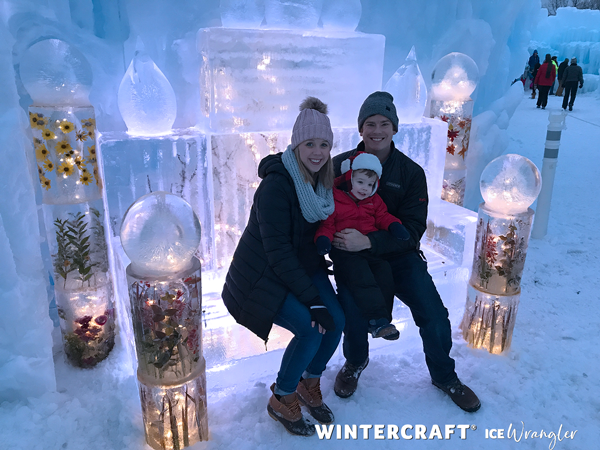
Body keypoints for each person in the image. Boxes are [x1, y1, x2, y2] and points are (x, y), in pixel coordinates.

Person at [331, 91, 481, 413]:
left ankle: (444, 375)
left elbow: (412, 230)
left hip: (399, 257)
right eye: (370, 123)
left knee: (434, 314)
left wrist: (370, 241)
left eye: (384, 123)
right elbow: (319, 206)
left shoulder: (412, 173)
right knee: (354, 314)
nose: (377, 130)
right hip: (353, 259)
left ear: (395, 128)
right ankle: (355, 362)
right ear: (360, 129)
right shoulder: (340, 167)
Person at [222, 97, 345, 436]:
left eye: (323, 144)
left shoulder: (322, 183)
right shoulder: (276, 187)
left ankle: (309, 381)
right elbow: (278, 255)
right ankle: (283, 395)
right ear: (296, 144)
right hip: (261, 278)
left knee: (336, 321)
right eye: (310, 144)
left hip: (300, 269)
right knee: (309, 326)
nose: (317, 152)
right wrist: (313, 300)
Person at [314, 151, 409, 339]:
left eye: (370, 184)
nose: (365, 188)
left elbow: (383, 216)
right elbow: (327, 224)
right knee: (361, 276)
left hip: (367, 248)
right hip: (345, 253)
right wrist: (323, 240)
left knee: (384, 272)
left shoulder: (373, 201)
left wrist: (395, 226)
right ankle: (376, 320)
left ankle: (382, 320)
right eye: (360, 182)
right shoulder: (335, 198)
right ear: (349, 178)